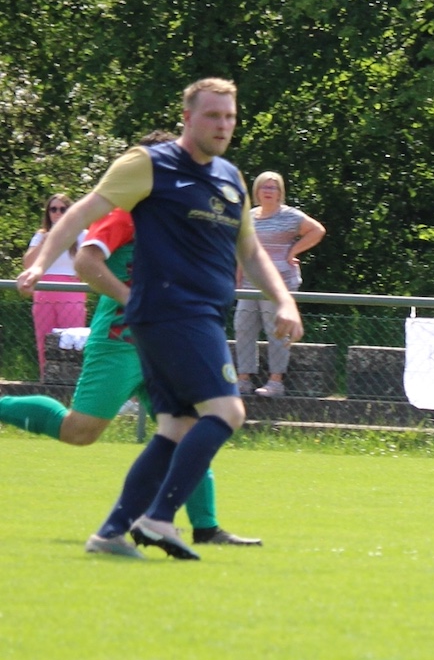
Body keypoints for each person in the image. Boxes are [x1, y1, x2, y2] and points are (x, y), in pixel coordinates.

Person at [17, 77, 302, 560]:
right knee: (227, 412)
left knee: (177, 427)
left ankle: (111, 533)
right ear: (188, 118)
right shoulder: (150, 163)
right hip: (171, 312)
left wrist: (284, 301)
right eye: (212, 115)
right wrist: (41, 262)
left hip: (198, 315)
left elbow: (251, 252)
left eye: (230, 117)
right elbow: (82, 213)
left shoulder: (231, 178)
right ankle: (158, 519)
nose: (223, 125)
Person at [0, 133, 259, 545]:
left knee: (190, 428)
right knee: (80, 431)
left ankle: (206, 527)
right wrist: (134, 300)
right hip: (119, 341)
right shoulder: (124, 212)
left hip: (166, 343)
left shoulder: (179, 213)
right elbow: (87, 261)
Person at [235, 171, 325, 397]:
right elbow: (242, 250)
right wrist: (238, 278)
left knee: (276, 329)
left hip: (280, 283)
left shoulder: (290, 216)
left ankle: (276, 382)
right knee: (242, 327)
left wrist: (293, 251)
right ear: (256, 191)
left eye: (272, 187)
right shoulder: (249, 216)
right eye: (263, 187)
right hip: (249, 283)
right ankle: (243, 380)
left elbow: (317, 230)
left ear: (280, 192)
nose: (268, 191)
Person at [22, 193, 87, 377]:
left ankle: (73, 382)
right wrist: (46, 241)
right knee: (44, 340)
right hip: (44, 290)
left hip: (72, 291)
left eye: (62, 209)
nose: (57, 213)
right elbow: (28, 263)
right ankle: (46, 380)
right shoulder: (41, 235)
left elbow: (90, 262)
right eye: (53, 209)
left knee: (72, 338)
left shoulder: (81, 234)